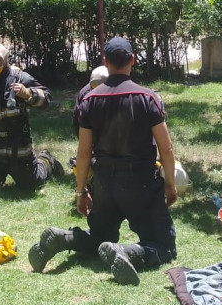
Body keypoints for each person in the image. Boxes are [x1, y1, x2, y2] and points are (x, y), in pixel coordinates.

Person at [29, 37, 178, 285]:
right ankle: (126, 252)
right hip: (139, 183)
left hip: (104, 183)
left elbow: (84, 152)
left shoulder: (89, 100)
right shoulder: (148, 98)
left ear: (106, 63)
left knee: (100, 236)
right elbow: (166, 148)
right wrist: (171, 184)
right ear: (132, 61)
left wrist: (81, 191)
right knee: (164, 245)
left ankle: (63, 238)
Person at [0, 41, 63, 192]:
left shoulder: (20, 78)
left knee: (31, 185)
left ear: (6, 60)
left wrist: (28, 94)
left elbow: (46, 99)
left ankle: (47, 160)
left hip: (18, 146)